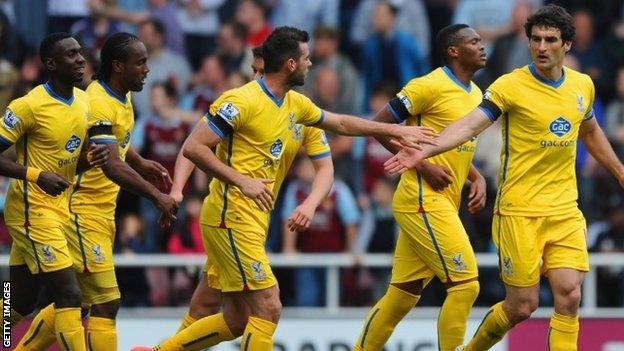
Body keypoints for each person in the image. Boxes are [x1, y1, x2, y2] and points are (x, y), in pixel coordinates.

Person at [134, 26, 437, 351]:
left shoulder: (297, 106)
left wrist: (391, 129)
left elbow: (341, 124)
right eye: (306, 58)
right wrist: (239, 181)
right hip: (229, 217)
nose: (311, 64)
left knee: (234, 319)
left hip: (252, 221)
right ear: (291, 64)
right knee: (269, 305)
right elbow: (194, 147)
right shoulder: (240, 101)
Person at [384, 5, 624, 351]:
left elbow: (590, 130)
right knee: (522, 306)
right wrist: (426, 149)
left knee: (570, 295)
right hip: (518, 211)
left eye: (550, 40)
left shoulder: (581, 85)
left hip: (564, 209)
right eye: (536, 39)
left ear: (567, 45)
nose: (541, 47)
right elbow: (471, 123)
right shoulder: (510, 86)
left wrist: (618, 170)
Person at [14, 32, 178, 351]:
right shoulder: (96, 101)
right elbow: (110, 165)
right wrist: (157, 197)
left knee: (24, 301)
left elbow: (111, 145)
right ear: (118, 66)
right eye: (141, 62)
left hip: (94, 212)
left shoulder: (120, 96)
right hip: (78, 212)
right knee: (103, 301)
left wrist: (139, 160)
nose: (147, 69)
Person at [352, 24, 487, 351]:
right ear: (454, 51)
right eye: (474, 41)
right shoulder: (429, 85)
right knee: (466, 285)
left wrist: (475, 176)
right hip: (422, 199)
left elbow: (450, 146)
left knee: (401, 296)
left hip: (441, 201)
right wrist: (423, 166)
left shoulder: (476, 94)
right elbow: (379, 126)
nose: (482, 46)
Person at [0, 32, 109, 351]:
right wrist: (36, 175)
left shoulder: (85, 101)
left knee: (18, 300)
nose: (80, 59)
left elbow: (67, 165)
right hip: (30, 211)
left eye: (81, 52)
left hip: (58, 209)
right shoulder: (28, 105)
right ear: (51, 64)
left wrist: (91, 160)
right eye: (71, 54)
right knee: (72, 295)